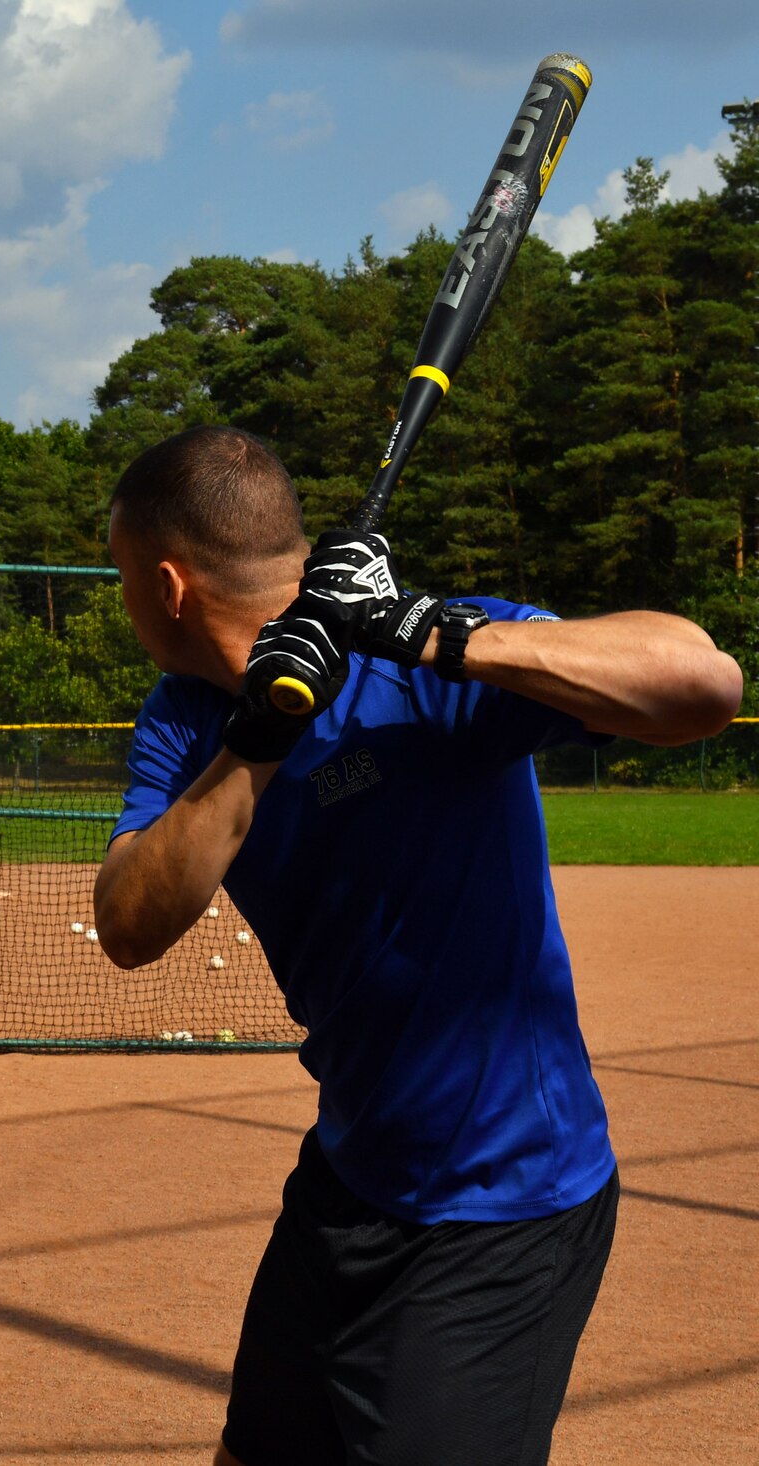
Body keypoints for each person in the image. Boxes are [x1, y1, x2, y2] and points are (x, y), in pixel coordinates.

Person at [94, 425, 742, 1466]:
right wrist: (258, 736)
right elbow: (128, 922)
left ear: (165, 585)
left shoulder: (424, 662)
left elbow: (703, 681)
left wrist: (426, 630)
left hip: (502, 1204)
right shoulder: (185, 716)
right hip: (350, 1175)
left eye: (120, 576)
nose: (122, 601)